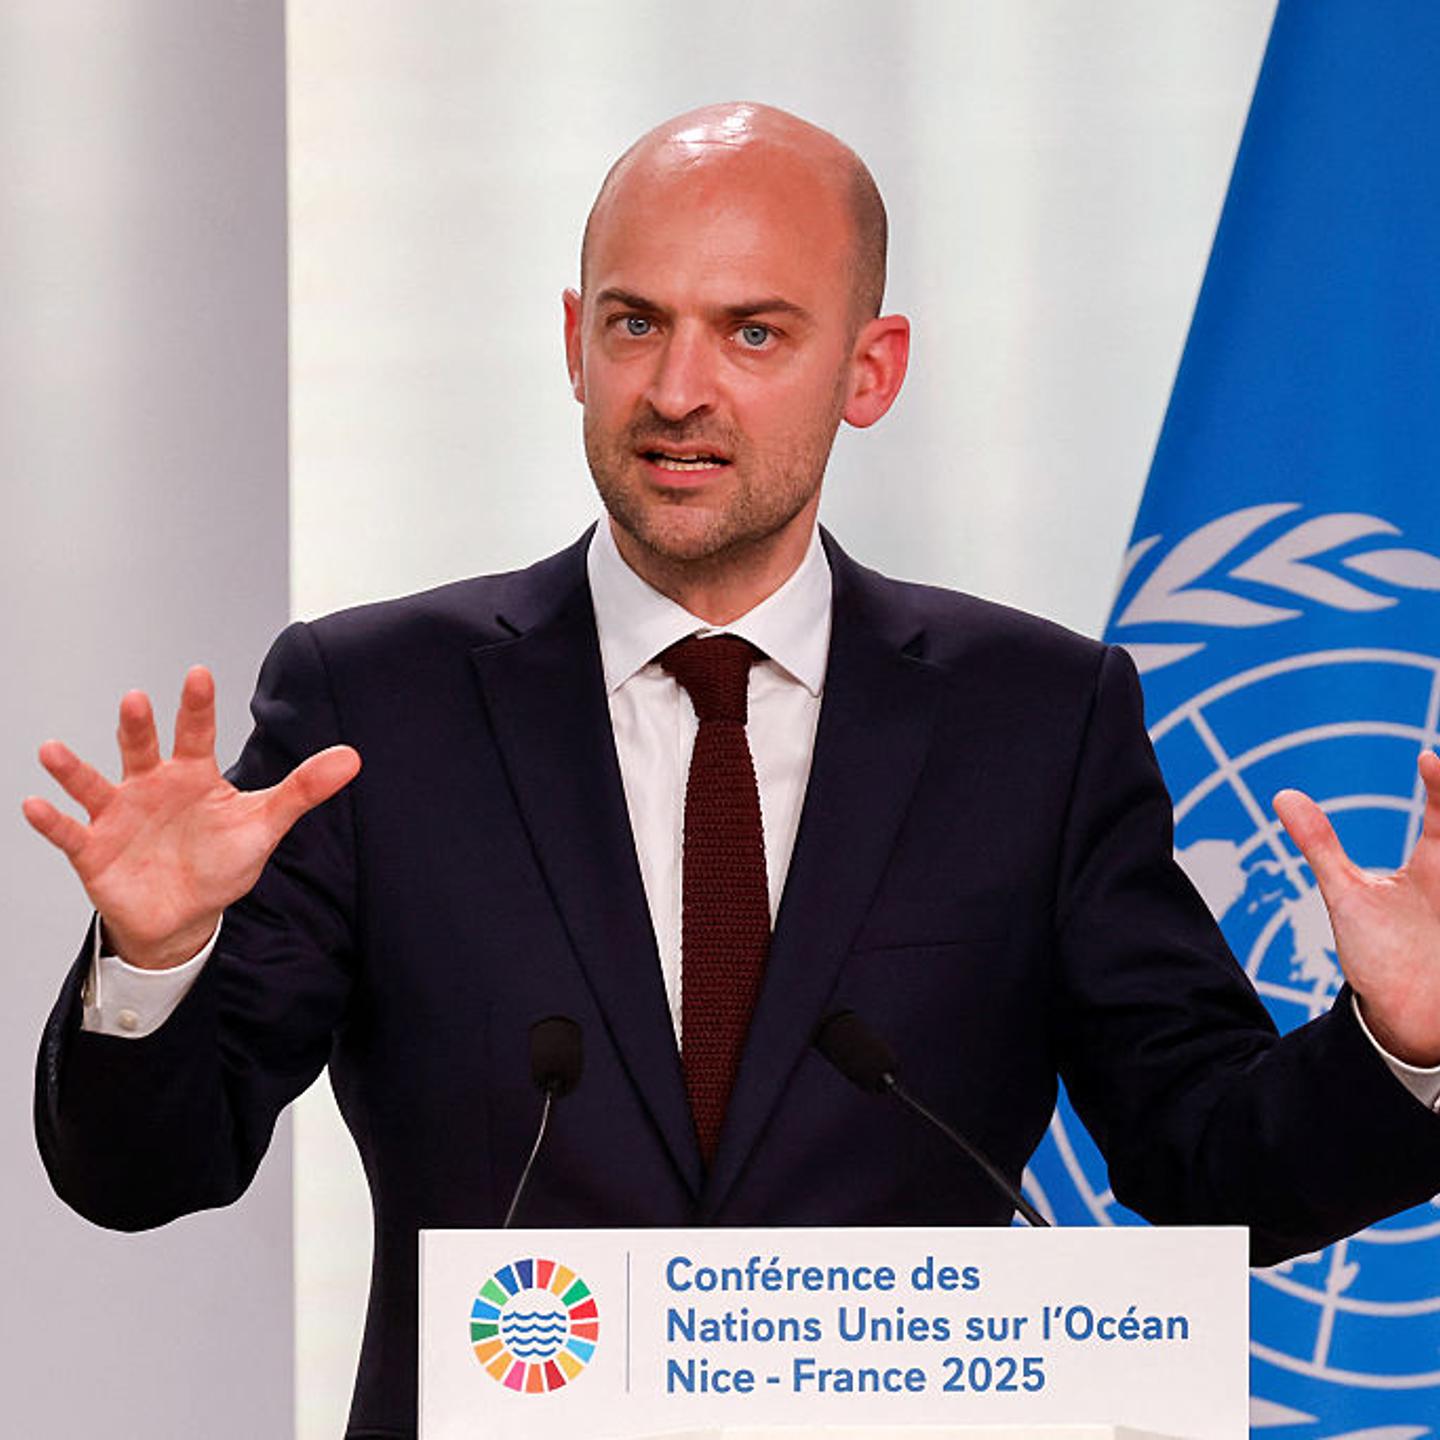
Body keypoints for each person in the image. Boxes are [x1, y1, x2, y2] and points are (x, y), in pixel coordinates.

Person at [28, 103, 1440, 1439]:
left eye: (753, 332)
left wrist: (1405, 1045)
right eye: (638, 323)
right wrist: (154, 963)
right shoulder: (375, 705)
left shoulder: (1038, 718)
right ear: (575, 342)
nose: (677, 390)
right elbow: (148, 1172)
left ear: (869, 370)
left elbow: (1209, 1160)